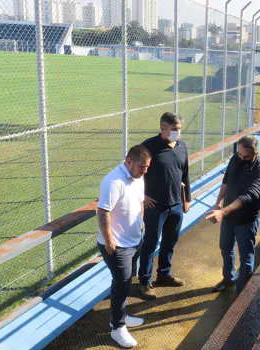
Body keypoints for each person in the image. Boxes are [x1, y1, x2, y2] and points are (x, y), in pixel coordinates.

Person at [97, 145, 151, 348]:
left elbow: (139, 203)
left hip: (135, 240)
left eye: (147, 167)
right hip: (118, 246)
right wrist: (110, 242)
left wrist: (141, 226)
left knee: (123, 283)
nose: (145, 171)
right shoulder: (113, 181)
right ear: (129, 161)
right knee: (123, 285)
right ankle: (117, 329)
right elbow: (103, 212)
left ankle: (118, 317)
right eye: (142, 167)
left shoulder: (138, 177)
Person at [206, 135, 260, 295]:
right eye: (240, 155)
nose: (241, 159)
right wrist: (218, 203)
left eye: (246, 157)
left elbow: (246, 198)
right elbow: (227, 179)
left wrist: (222, 211)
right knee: (226, 248)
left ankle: (241, 293)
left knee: (246, 258)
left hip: (246, 220)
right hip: (228, 216)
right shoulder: (237, 157)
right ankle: (229, 280)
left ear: (256, 154)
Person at [138, 112, 191, 300]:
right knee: (150, 244)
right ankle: (144, 282)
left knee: (170, 241)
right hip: (155, 207)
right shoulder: (148, 147)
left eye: (179, 129)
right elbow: (132, 173)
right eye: (174, 130)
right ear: (163, 128)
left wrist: (187, 199)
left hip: (176, 204)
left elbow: (185, 173)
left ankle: (164, 275)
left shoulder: (181, 146)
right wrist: (141, 195)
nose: (178, 133)